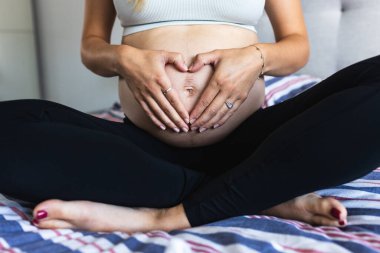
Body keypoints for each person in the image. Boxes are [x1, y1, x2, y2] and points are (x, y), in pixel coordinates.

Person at [0, 0, 379, 233]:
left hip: (257, 142)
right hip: (142, 151)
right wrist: (123, 58)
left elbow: (296, 46)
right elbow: (91, 47)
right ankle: (253, 191)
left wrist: (255, 57)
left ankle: (167, 216)